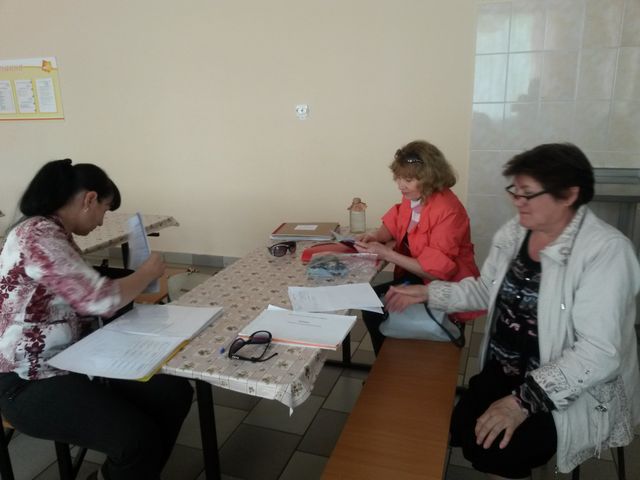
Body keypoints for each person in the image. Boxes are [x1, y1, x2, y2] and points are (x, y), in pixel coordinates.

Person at [385, 143, 640, 479]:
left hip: (569, 387)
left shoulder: (606, 252)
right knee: (460, 428)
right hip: (509, 368)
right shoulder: (516, 233)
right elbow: (486, 289)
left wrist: (522, 402)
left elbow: (599, 354)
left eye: (528, 194)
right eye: (515, 191)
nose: (517, 201)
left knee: (498, 448)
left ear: (569, 195)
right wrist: (430, 292)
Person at [0, 159, 193, 480]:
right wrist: (146, 274)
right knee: (136, 440)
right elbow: (98, 299)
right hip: (26, 379)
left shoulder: (52, 232)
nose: (102, 221)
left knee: (172, 393)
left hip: (73, 359)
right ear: (89, 199)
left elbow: (82, 289)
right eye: (104, 209)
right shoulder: (38, 236)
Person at [354, 140, 481, 354]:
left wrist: (387, 253)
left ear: (429, 178)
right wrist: (376, 235)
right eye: (398, 178)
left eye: (408, 180)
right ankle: (388, 361)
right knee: (373, 304)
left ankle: (393, 362)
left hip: (444, 284)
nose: (400, 185)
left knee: (374, 306)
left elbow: (435, 270)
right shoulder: (415, 197)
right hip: (418, 275)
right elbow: (396, 221)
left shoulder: (448, 211)